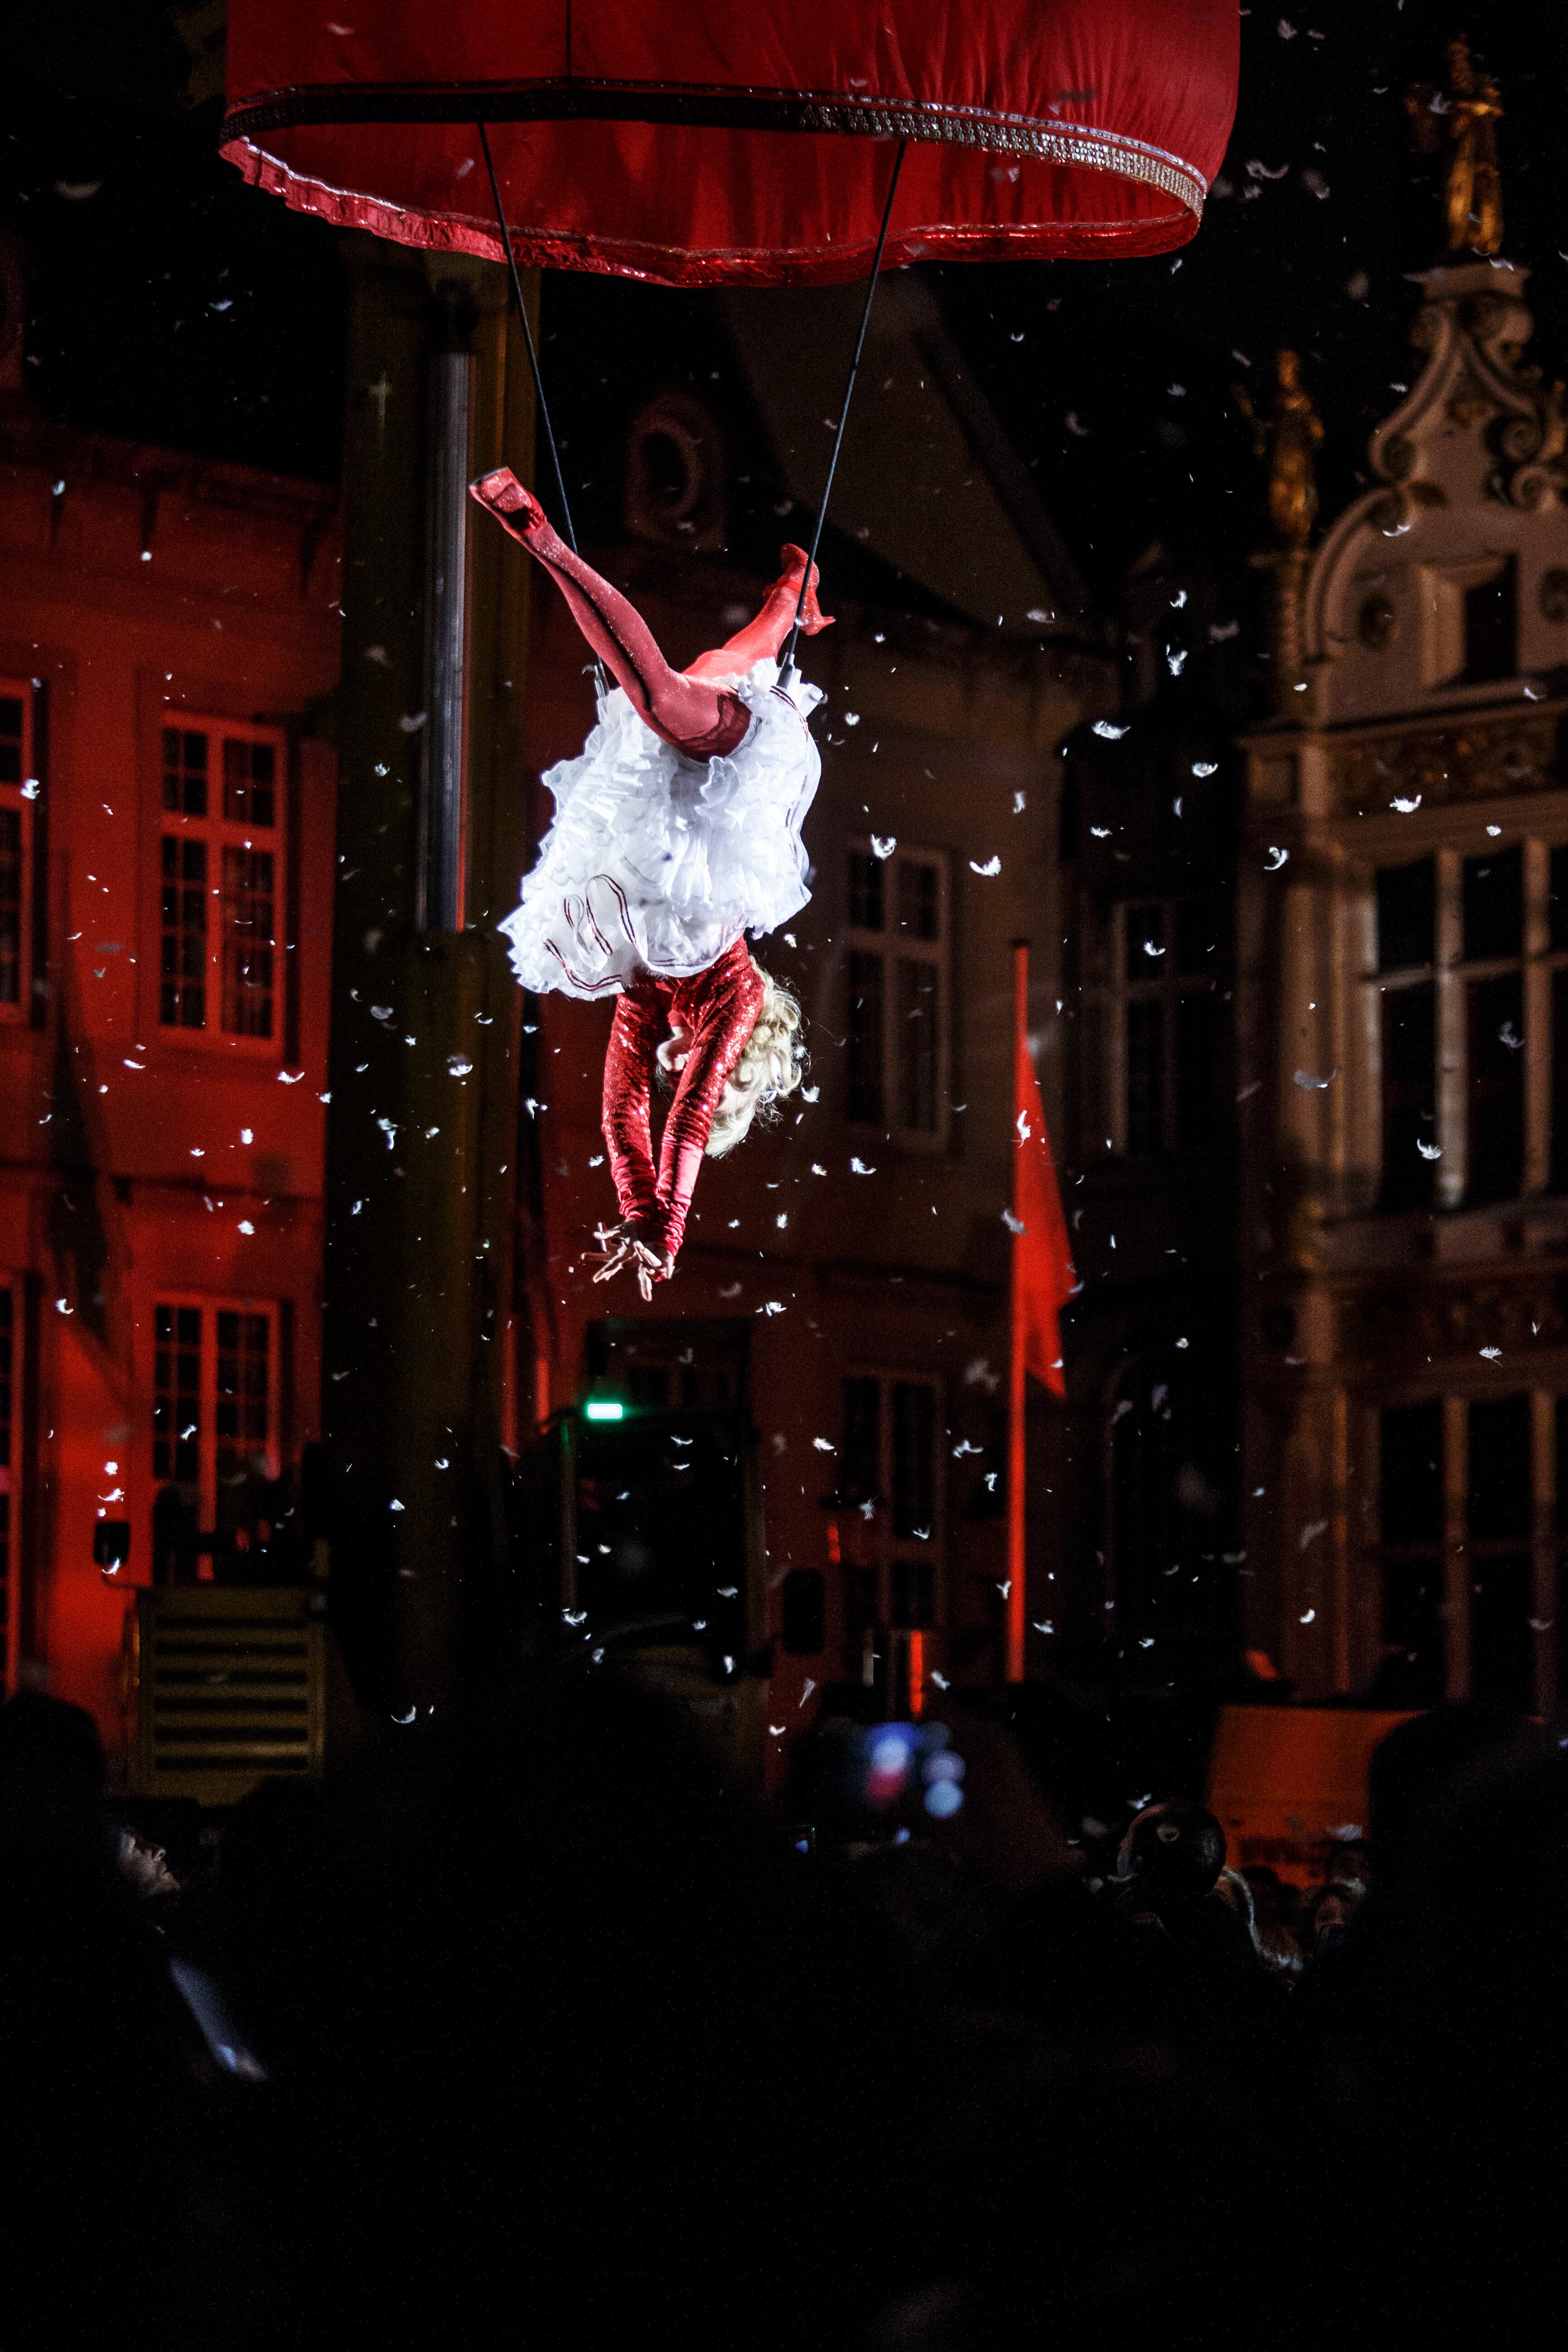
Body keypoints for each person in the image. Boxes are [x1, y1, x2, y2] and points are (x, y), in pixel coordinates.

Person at [470, 468, 831, 1294]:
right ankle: (547, 543)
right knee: (667, 694)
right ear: (725, 1055)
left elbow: (619, 1112)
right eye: (687, 1061)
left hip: (671, 816)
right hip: (733, 792)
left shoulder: (641, 994)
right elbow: (684, 1119)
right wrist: (666, 1229)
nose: (667, 1060)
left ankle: (794, 589)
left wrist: (635, 1209)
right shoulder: (731, 997)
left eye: (665, 1064)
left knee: (727, 661)